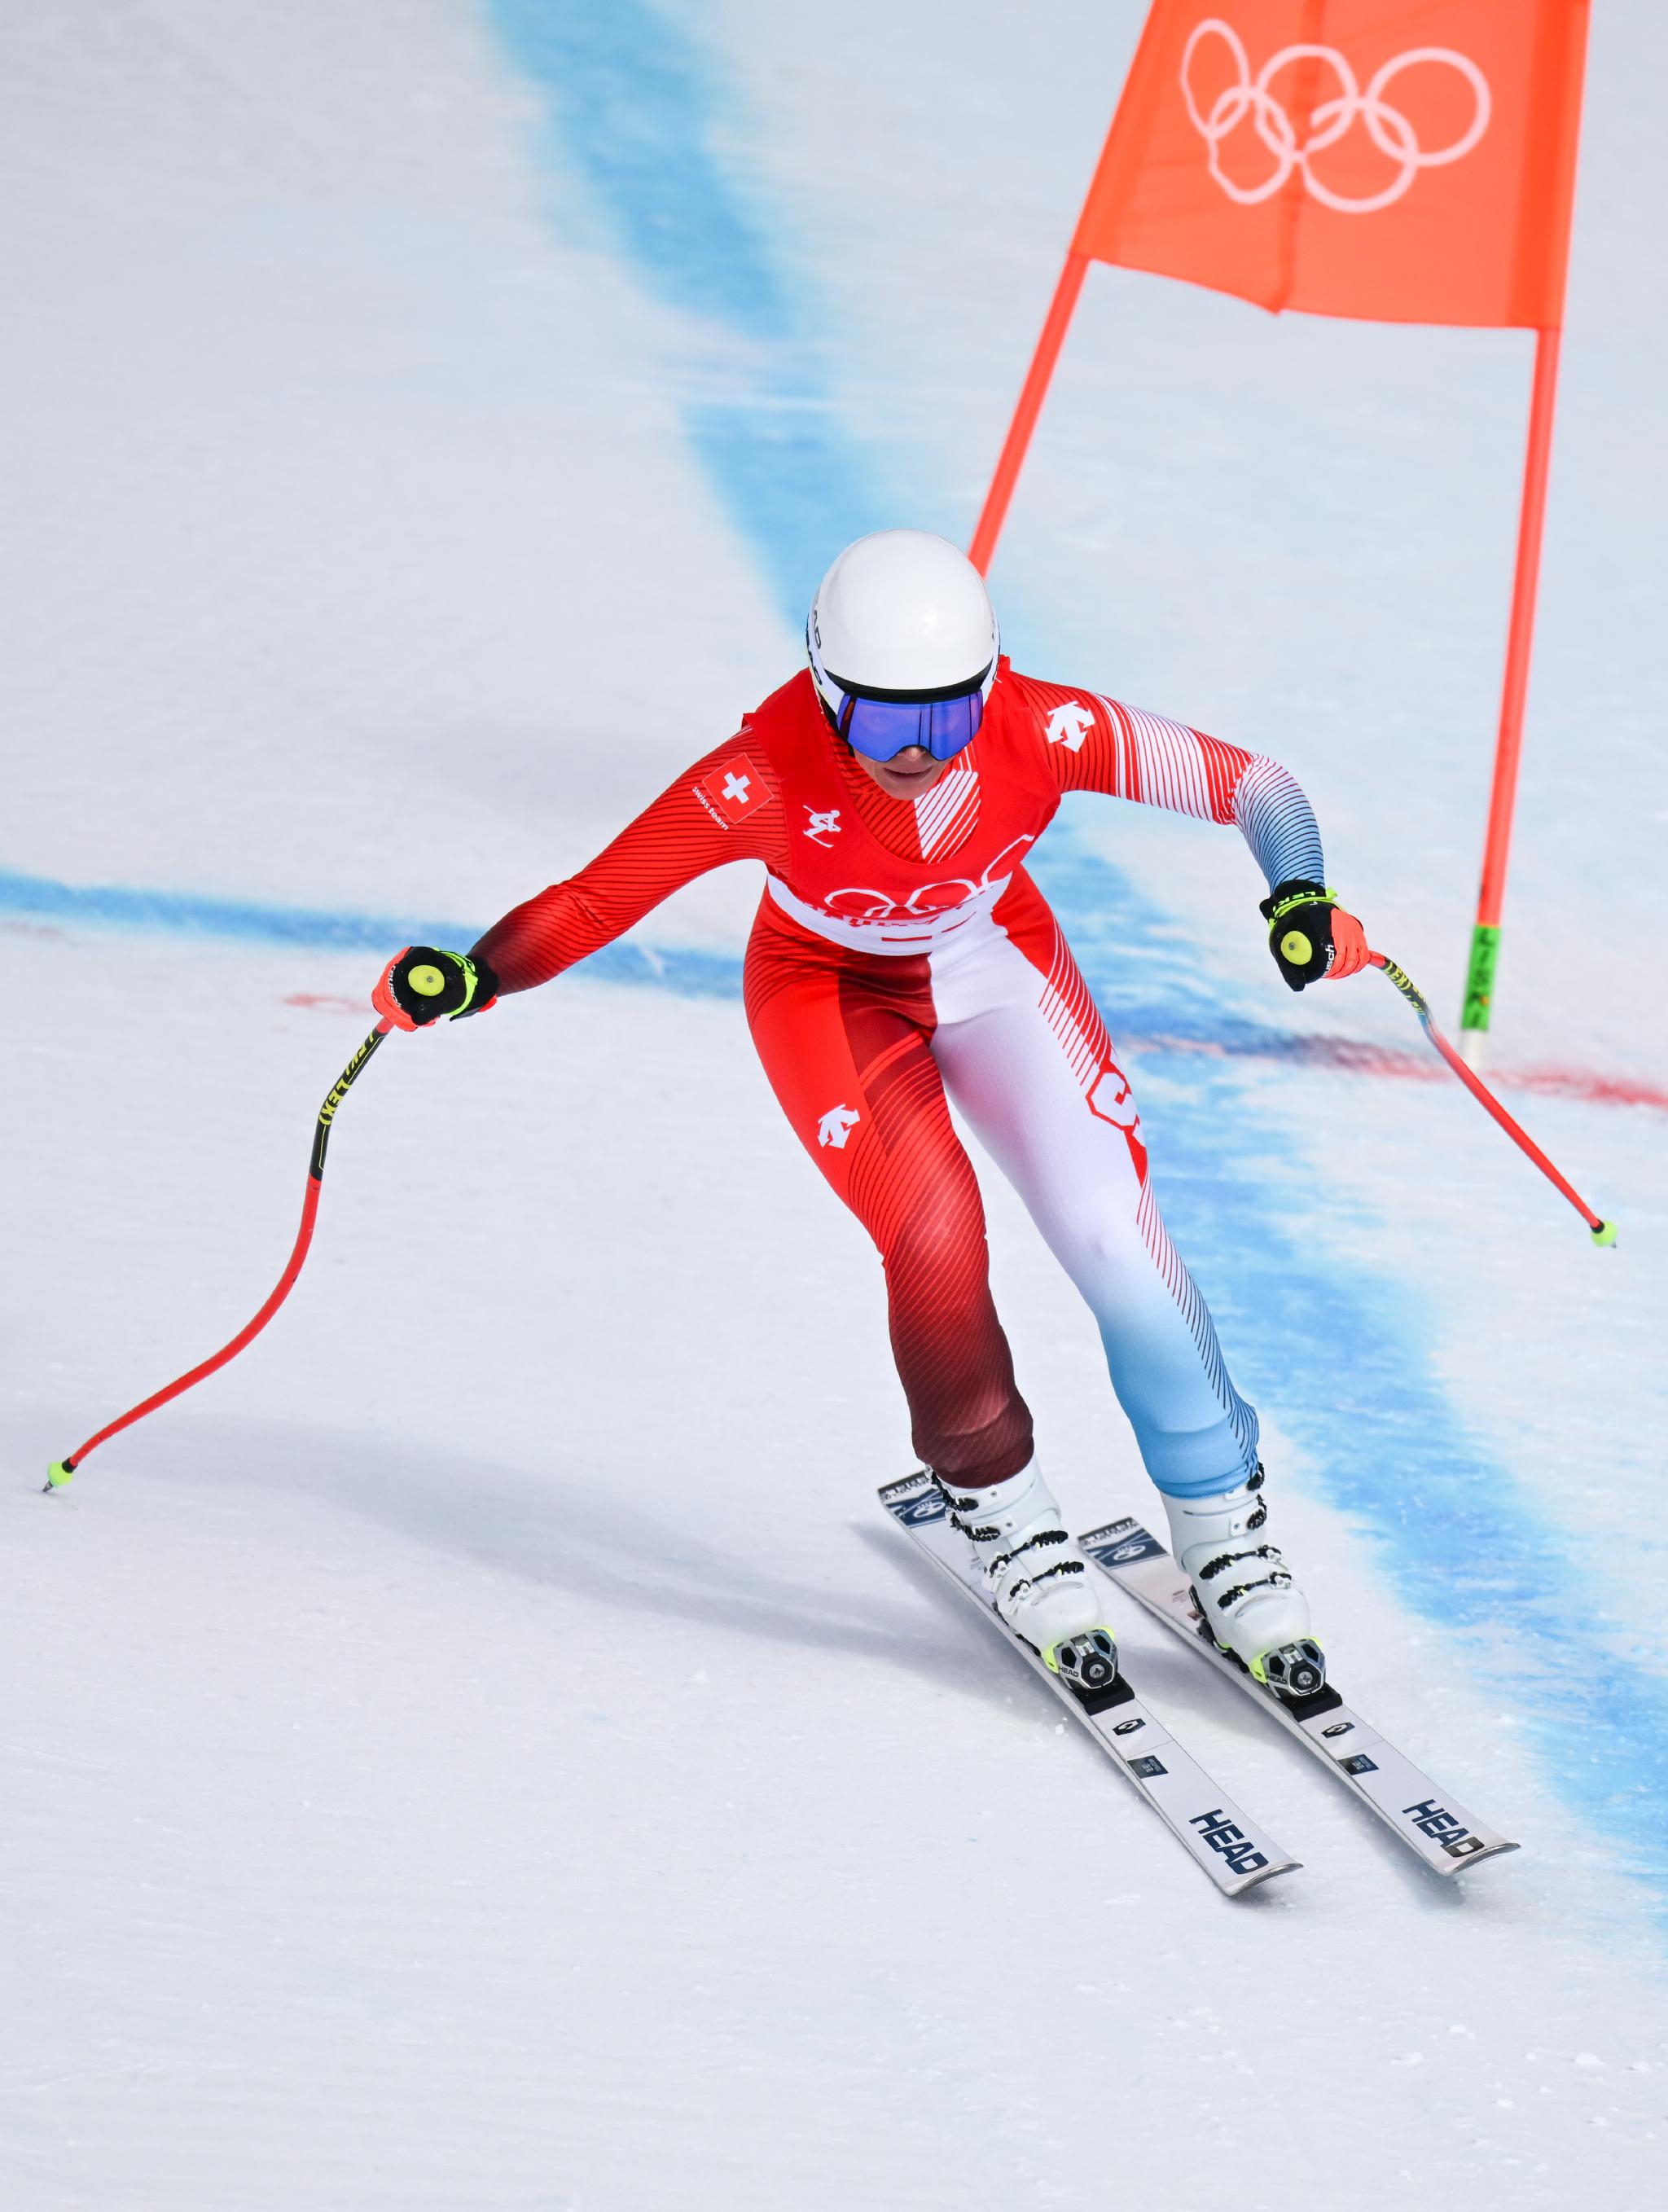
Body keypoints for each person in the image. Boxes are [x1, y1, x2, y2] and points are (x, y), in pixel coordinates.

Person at [372, 530, 1367, 1703]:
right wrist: (478, 972)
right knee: (934, 1233)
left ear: (991, 681)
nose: (914, 749)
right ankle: (1000, 1507)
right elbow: (596, 899)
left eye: (947, 715)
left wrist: (1300, 894)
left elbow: (1257, 786)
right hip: (828, 990)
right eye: (881, 717)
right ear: (820, 686)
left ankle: (1222, 1524)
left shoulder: (1043, 727)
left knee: (1118, 1237)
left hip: (994, 963)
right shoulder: (761, 774)